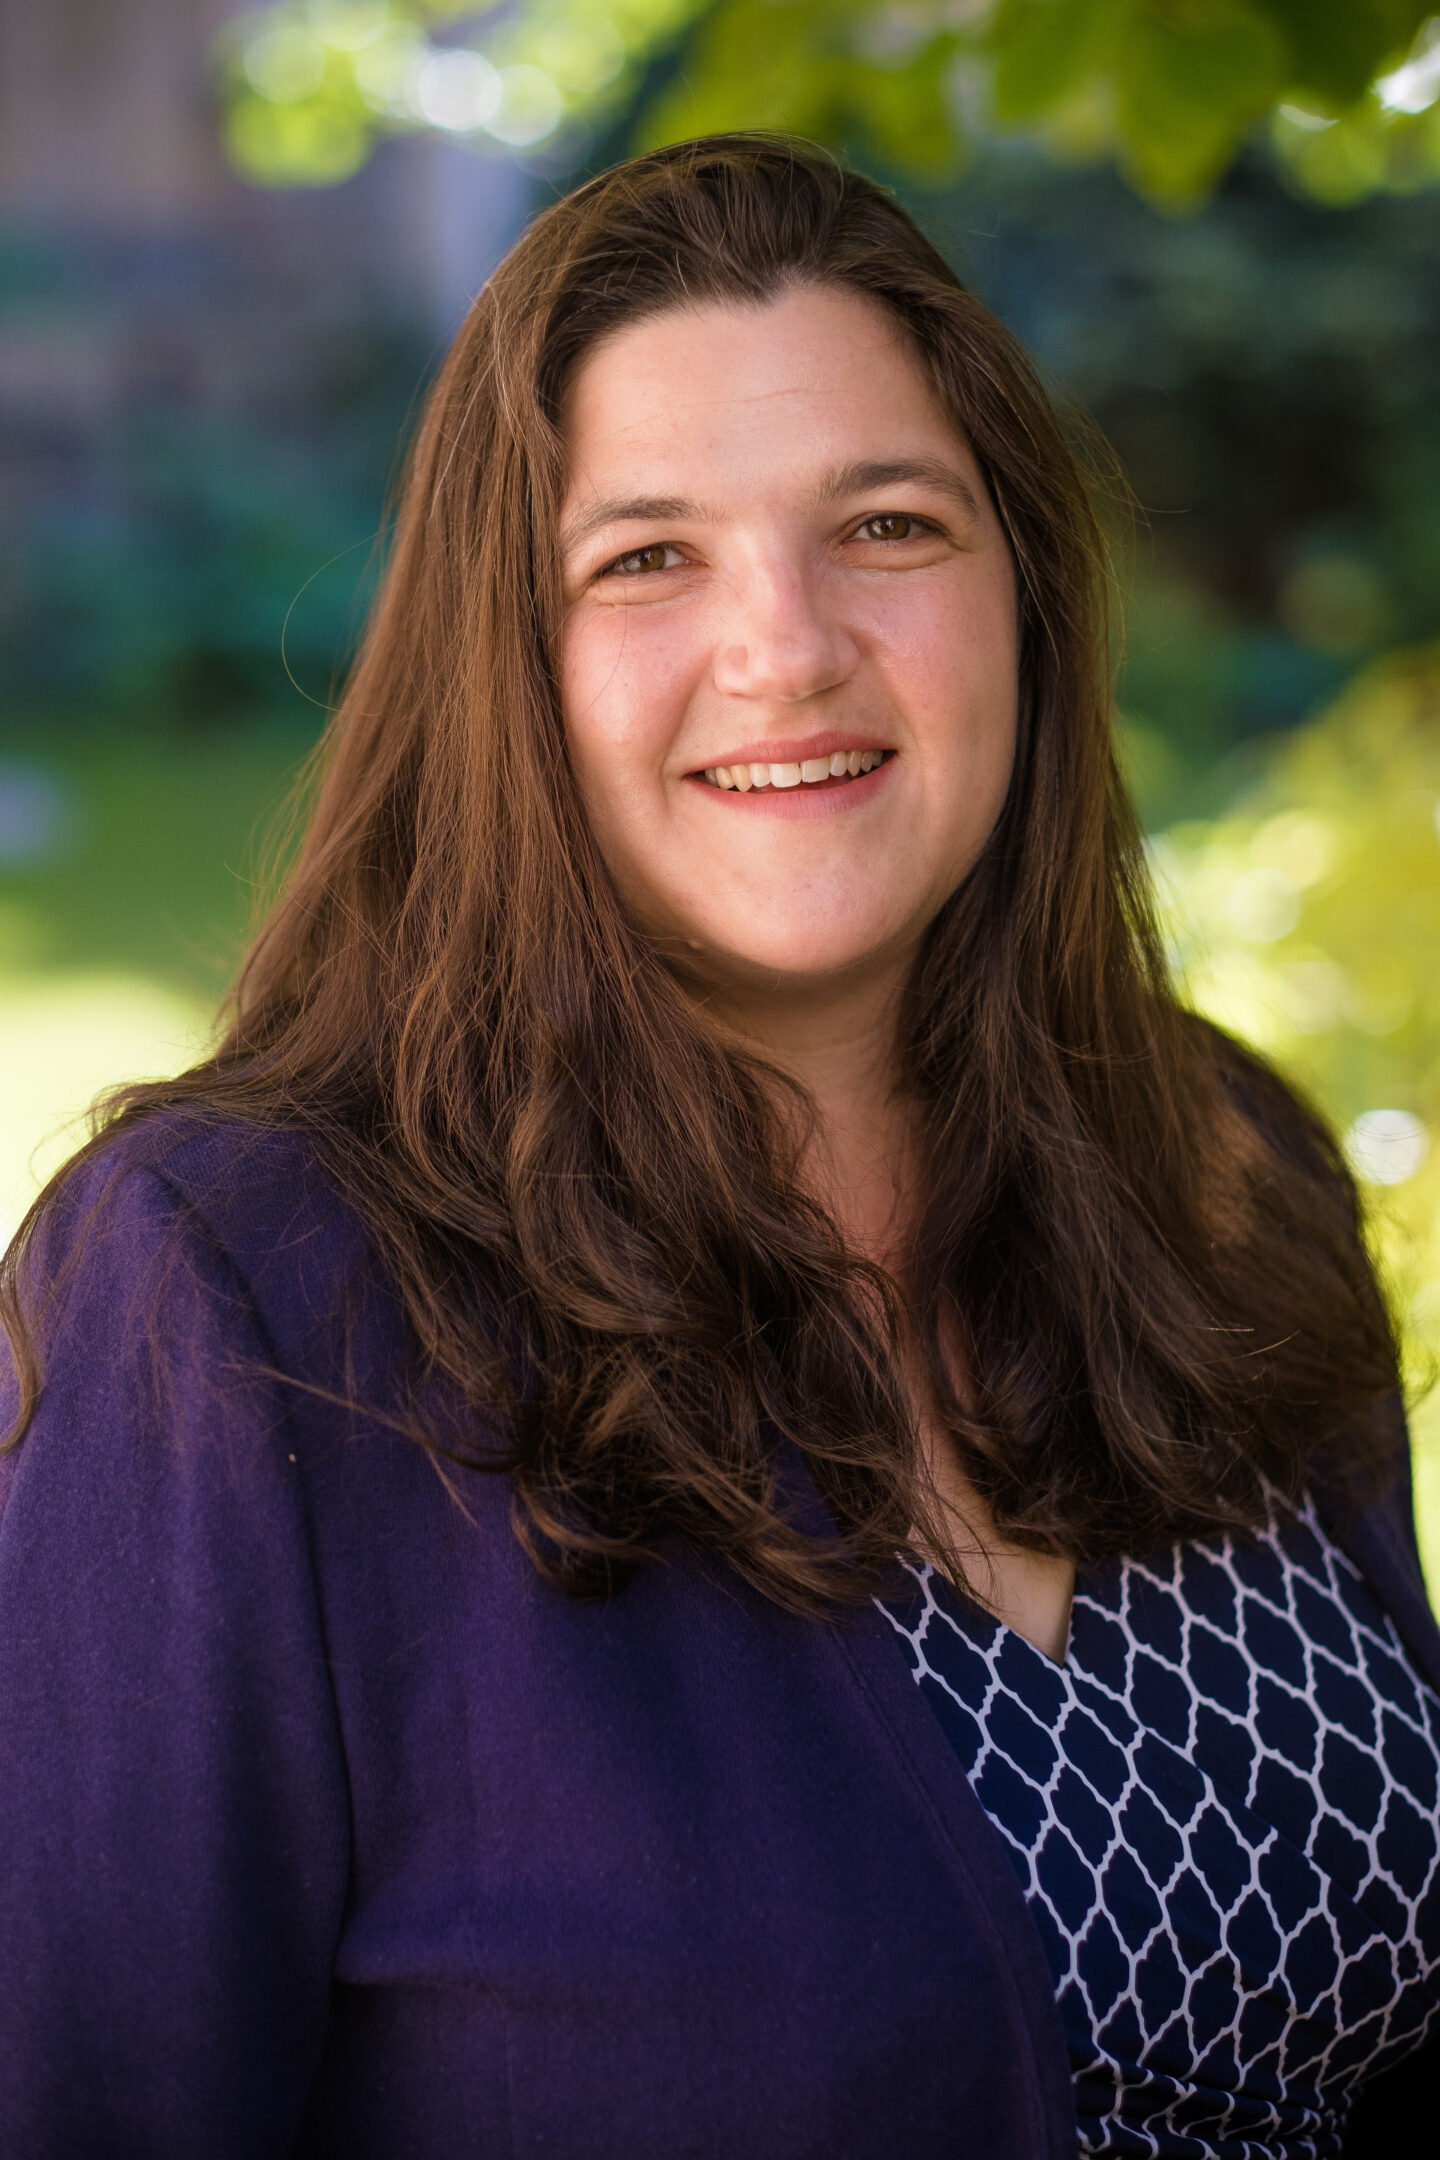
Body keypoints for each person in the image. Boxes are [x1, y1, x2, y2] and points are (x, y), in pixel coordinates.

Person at [0, 135, 1435, 2159]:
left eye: (890, 524)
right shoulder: (237, 1292)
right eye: (646, 558)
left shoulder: (1226, 1176)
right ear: (512, 668)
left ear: (1020, 589)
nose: (787, 642)